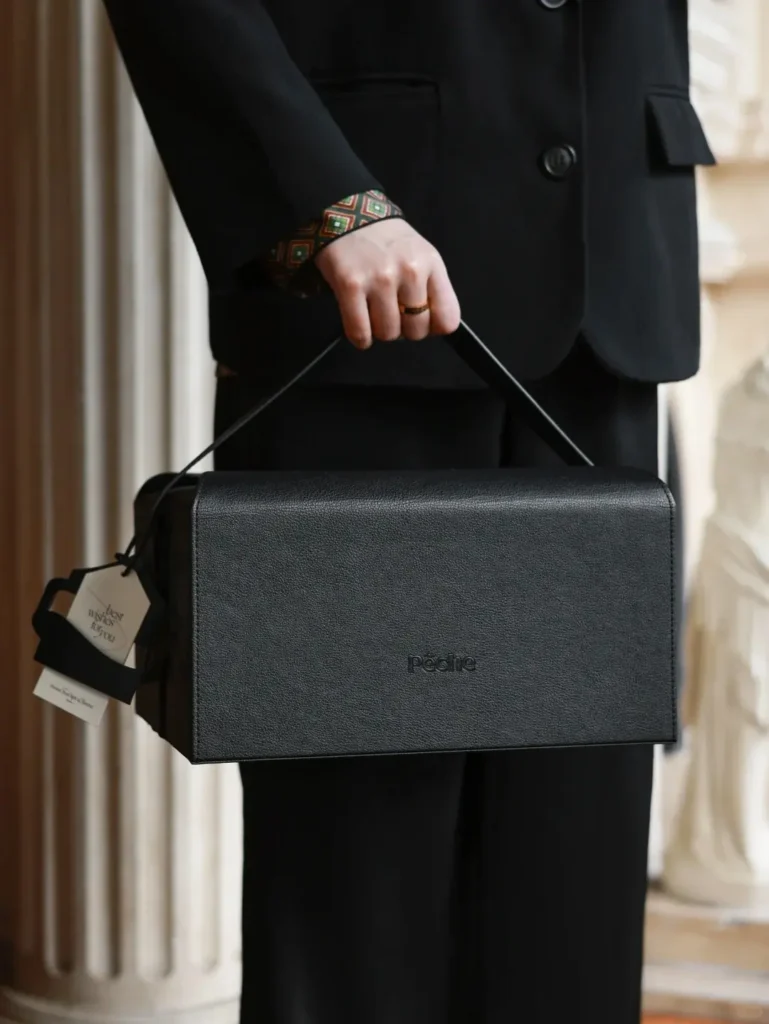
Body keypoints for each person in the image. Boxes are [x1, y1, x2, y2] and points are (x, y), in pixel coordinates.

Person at [102, 2, 715, 1021]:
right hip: (364, 294)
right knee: (356, 892)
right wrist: (323, 196)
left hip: (609, 283)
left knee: (571, 893)